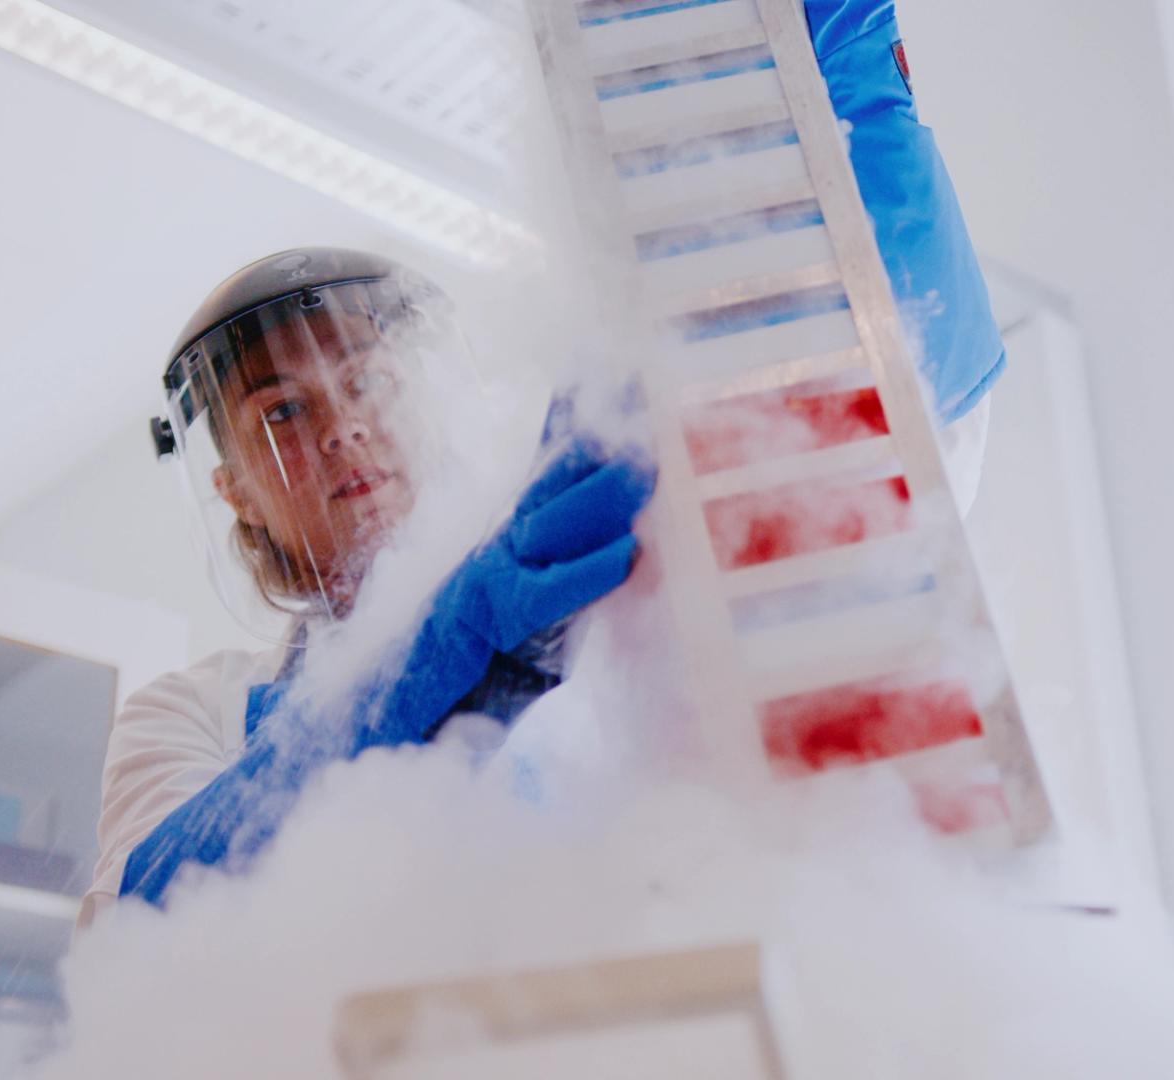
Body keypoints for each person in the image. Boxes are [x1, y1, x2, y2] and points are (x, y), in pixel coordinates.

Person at [81, 0, 1006, 923]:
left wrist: (851, 114)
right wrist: (454, 651)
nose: (340, 429)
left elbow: (875, 478)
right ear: (234, 490)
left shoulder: (581, 580)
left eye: (364, 383)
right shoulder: (196, 709)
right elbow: (135, 921)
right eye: (282, 412)